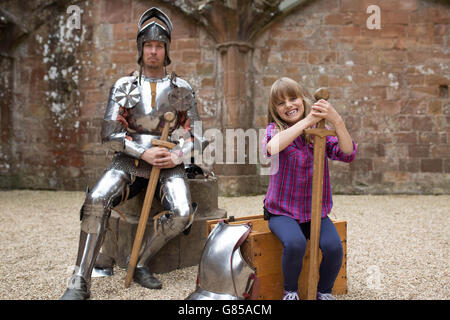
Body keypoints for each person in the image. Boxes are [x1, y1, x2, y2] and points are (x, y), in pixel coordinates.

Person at [60, 7, 207, 300]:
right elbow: (109, 133)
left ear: (167, 50)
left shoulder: (182, 88)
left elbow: (199, 137)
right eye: (148, 45)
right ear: (141, 49)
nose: (154, 51)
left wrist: (177, 156)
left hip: (169, 160)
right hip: (129, 157)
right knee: (96, 199)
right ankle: (80, 279)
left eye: (159, 46)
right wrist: (142, 151)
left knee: (182, 213)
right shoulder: (124, 86)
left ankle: (138, 261)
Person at [262, 77, 357, 300]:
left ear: (303, 100)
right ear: (274, 109)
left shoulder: (319, 132)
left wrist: (337, 121)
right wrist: (306, 122)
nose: (288, 105)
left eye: (293, 98)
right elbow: (272, 147)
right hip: (281, 211)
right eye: (281, 102)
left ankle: (324, 292)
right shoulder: (275, 130)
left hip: (315, 211)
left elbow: (348, 153)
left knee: (334, 248)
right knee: (295, 244)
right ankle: (291, 292)